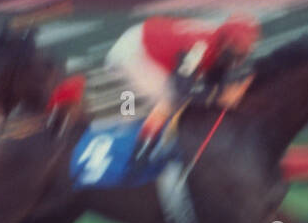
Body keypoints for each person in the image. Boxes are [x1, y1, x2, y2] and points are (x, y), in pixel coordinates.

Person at [105, 13, 260, 162]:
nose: (247, 51)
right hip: (132, 51)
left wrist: (222, 91)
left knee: (189, 93)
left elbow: (214, 77)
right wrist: (218, 96)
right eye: (242, 47)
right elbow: (181, 90)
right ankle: (141, 153)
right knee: (169, 100)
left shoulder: (219, 41)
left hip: (149, 38)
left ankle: (137, 124)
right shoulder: (198, 47)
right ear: (228, 42)